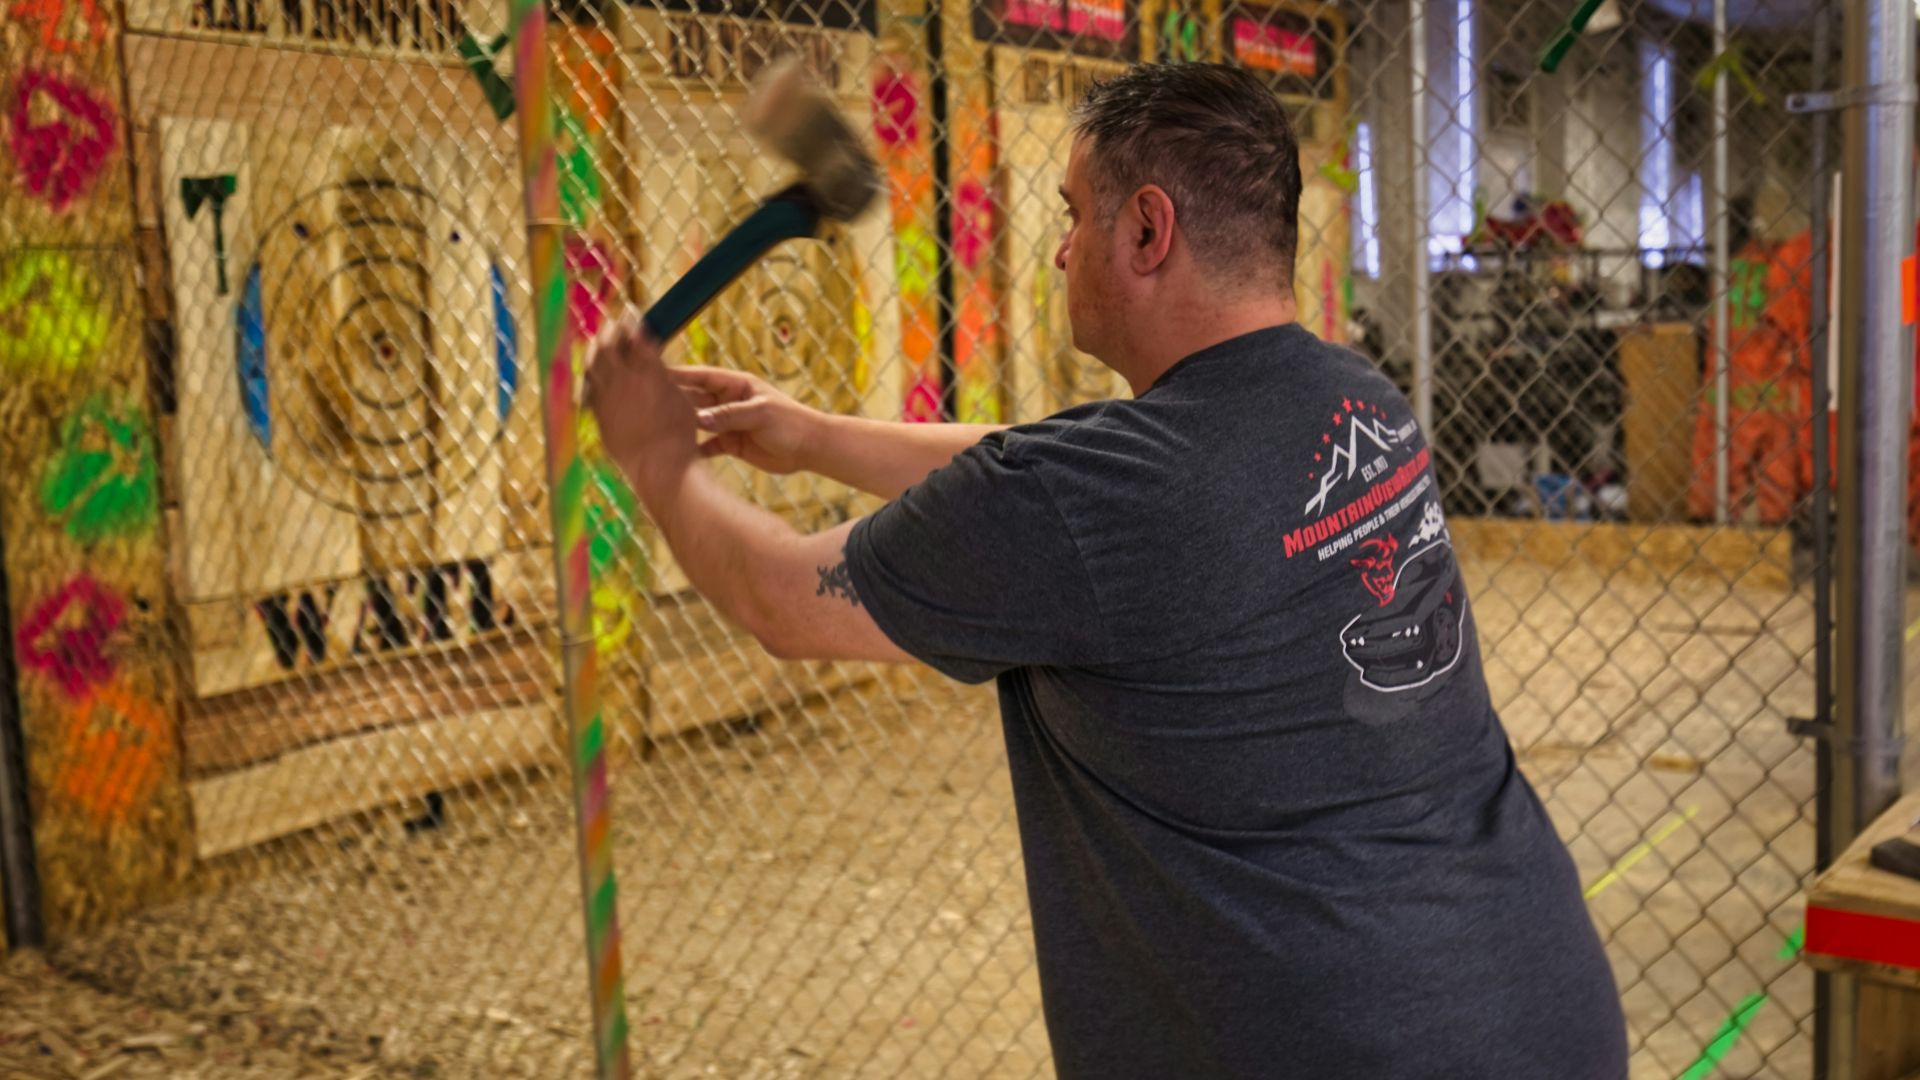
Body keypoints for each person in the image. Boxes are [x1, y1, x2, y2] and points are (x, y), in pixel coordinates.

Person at [586, 62, 1627, 1080]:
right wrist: (814, 435)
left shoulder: (1096, 502)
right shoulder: (1354, 398)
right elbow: (1048, 475)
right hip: (1539, 1000)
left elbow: (784, 602)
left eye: (1074, 215)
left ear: (1146, 230)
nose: (1056, 253)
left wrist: (654, 457)